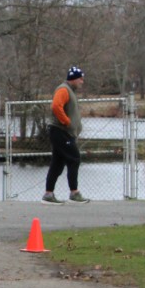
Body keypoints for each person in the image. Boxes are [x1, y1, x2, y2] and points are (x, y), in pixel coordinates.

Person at [43, 67, 87, 203]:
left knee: (57, 163)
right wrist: (67, 122)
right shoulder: (63, 89)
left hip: (64, 132)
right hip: (60, 131)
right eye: (80, 79)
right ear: (73, 79)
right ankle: (74, 193)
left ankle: (48, 194)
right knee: (74, 158)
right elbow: (56, 106)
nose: (82, 82)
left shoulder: (70, 91)